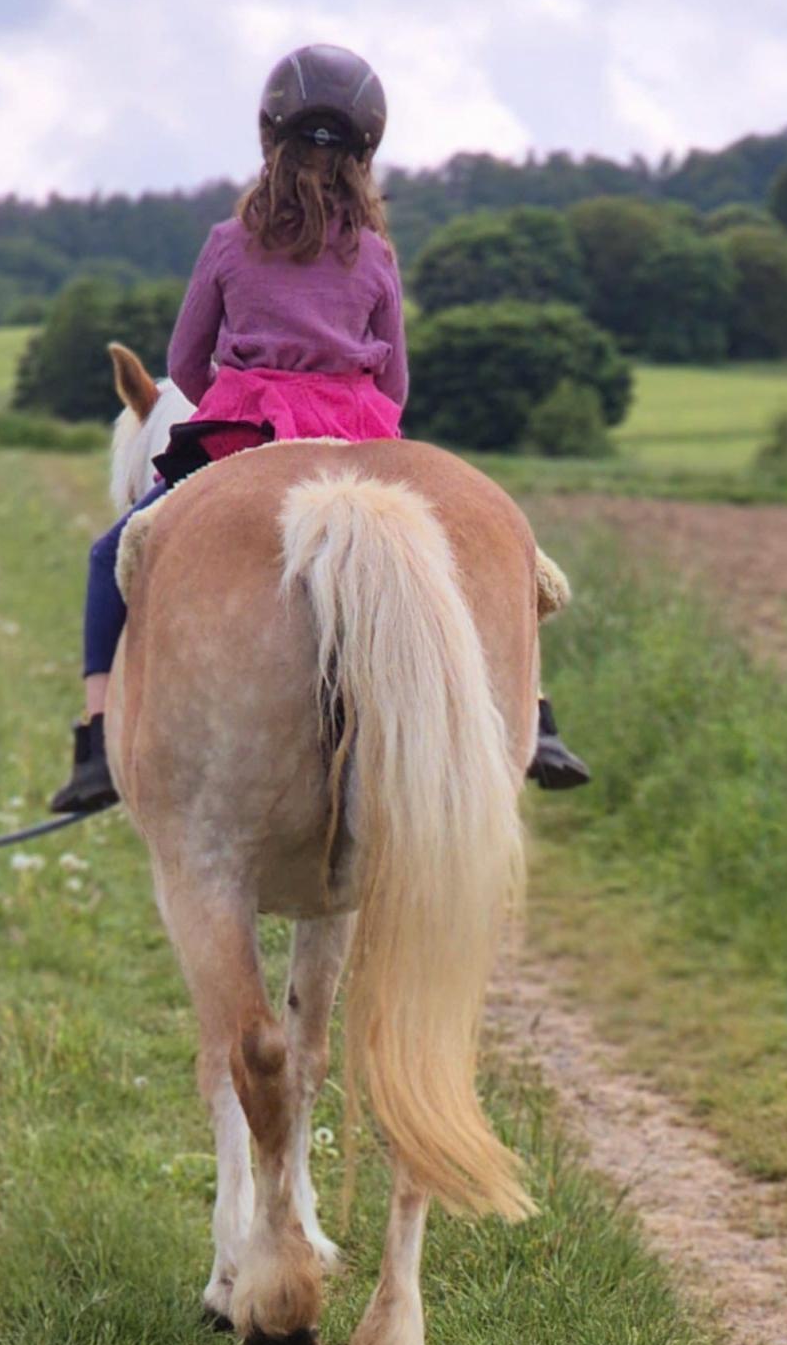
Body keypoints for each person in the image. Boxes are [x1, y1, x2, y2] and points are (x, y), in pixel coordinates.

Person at [50, 43, 588, 812]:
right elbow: (395, 384)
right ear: (365, 156)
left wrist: (238, 399)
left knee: (112, 553)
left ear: (269, 138)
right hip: (357, 436)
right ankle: (536, 716)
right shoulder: (375, 256)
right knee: (504, 556)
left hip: (243, 432)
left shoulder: (227, 243)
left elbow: (183, 362)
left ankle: (94, 739)